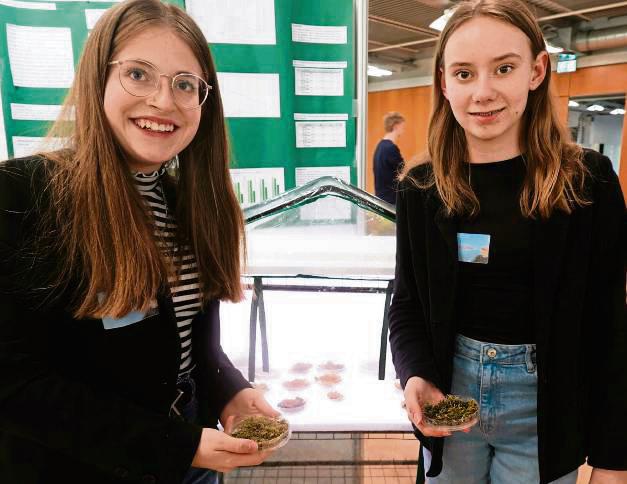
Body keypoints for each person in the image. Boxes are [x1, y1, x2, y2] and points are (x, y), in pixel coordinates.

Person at [0, 1, 279, 483]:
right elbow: (13, 382)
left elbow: (193, 346)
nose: (164, 101)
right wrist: (172, 445)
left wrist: (229, 391)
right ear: (98, 80)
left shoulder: (187, 204)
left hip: (186, 460)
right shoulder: (22, 195)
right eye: (138, 74)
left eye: (185, 84)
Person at [388, 1, 626, 483]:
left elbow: (611, 320)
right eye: (463, 73)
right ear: (443, 82)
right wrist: (416, 374)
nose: (483, 92)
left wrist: (613, 456)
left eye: (503, 68)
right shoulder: (421, 187)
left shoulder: (588, 182)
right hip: (450, 400)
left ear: (537, 70)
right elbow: (407, 300)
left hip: (547, 408)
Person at [373, 111, 406, 204]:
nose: (404, 130)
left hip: (382, 198)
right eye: (402, 127)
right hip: (390, 201)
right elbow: (404, 172)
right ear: (395, 126)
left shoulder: (380, 146)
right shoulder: (390, 148)